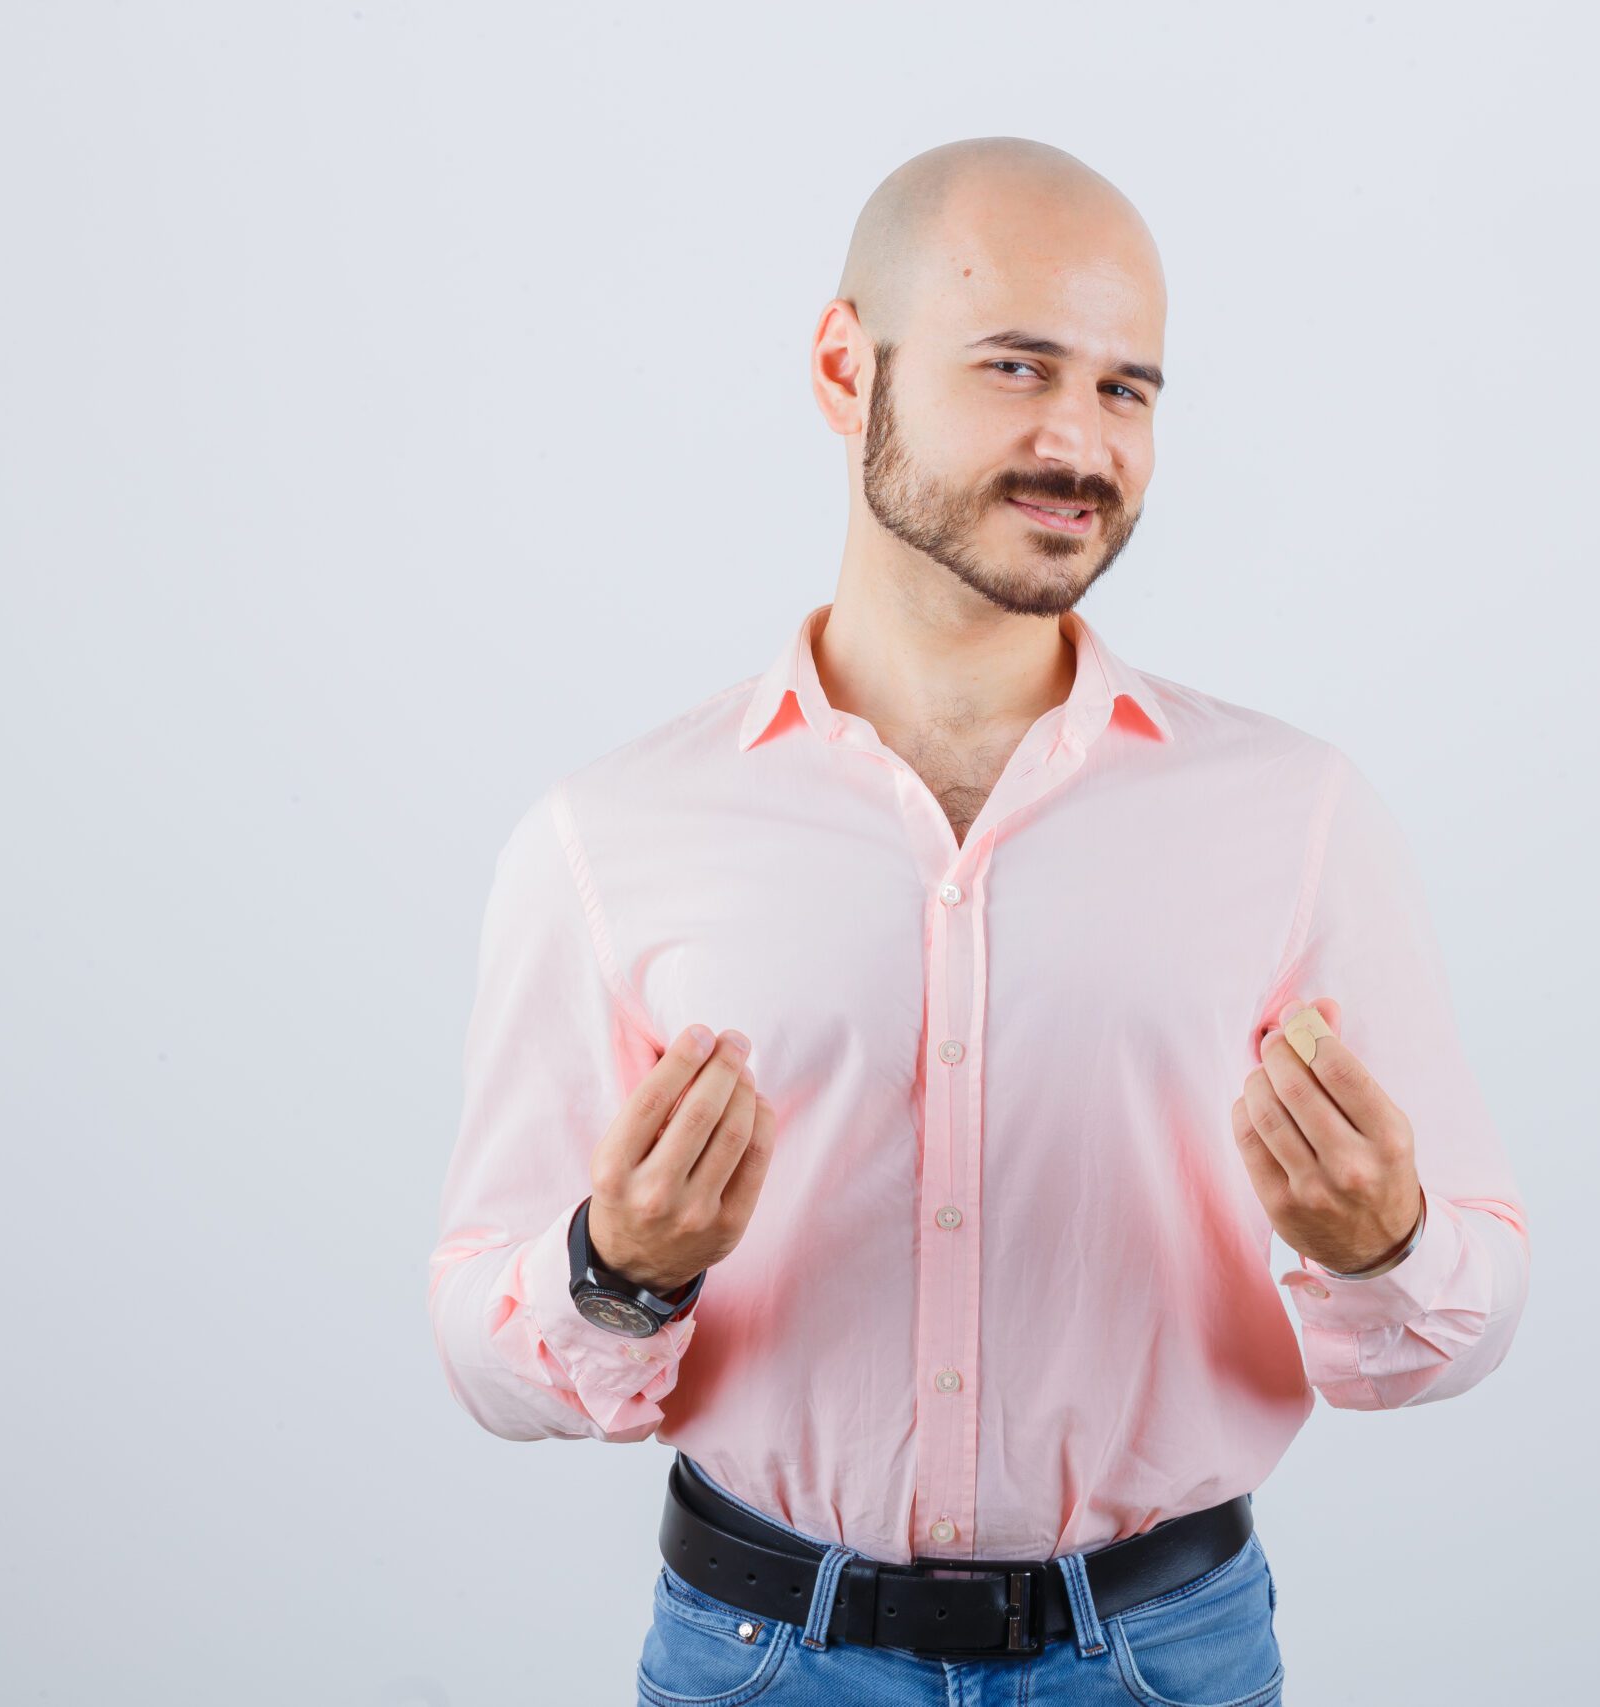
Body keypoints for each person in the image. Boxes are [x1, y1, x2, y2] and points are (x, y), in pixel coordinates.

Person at [426, 135, 1531, 1707]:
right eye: (1019, 367)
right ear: (841, 365)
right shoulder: (612, 835)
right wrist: (619, 1268)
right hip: (763, 1662)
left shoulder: (1297, 817)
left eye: (1126, 388)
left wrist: (1384, 1248)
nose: (1079, 442)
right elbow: (483, 1349)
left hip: (1165, 1661)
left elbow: (1462, 1318)